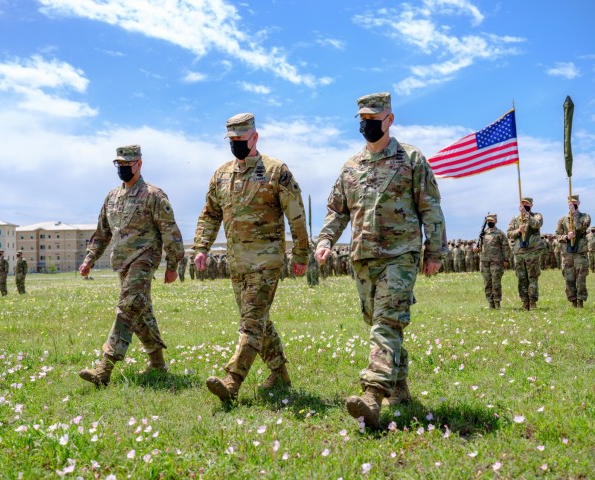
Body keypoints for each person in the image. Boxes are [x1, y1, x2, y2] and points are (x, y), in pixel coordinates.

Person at [315, 92, 446, 429]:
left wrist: (434, 251)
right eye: (363, 119)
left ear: (390, 119)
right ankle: (399, 387)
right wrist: (326, 240)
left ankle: (372, 396)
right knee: (377, 322)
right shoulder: (351, 166)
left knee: (386, 322)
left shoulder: (411, 159)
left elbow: (430, 206)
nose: (368, 124)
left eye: (375, 119)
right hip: (362, 259)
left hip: (400, 255)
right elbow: (337, 210)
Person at [193, 113, 309, 402]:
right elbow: (210, 214)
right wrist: (201, 248)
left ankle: (232, 381)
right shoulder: (221, 174)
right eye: (231, 140)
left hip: (266, 260)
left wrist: (301, 253)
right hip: (237, 262)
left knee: (251, 323)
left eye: (240, 140)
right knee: (258, 321)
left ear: (254, 137)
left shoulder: (275, 171)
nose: (235, 145)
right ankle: (279, 373)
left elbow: (296, 214)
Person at [78, 144, 184, 387]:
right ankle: (157, 362)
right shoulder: (112, 197)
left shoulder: (154, 195)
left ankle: (104, 369)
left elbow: (170, 231)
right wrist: (89, 259)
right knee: (140, 313)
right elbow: (102, 232)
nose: (123, 168)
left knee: (126, 307)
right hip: (122, 262)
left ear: (139, 164)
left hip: (144, 259)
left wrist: (172, 264)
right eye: (119, 164)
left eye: (128, 164)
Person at [507, 197, 544, 310]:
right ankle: (524, 302)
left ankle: (532, 302)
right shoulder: (515, 219)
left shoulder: (537, 215)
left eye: (527, 204)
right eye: (523, 204)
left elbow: (536, 224)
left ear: (531, 205)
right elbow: (509, 233)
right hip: (519, 253)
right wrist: (518, 231)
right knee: (522, 278)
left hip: (532, 252)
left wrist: (526, 214)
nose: (524, 205)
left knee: (532, 277)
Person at [555, 195, 591, 307]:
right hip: (567, 254)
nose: (572, 204)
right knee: (569, 278)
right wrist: (566, 237)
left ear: (579, 203)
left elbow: (581, 227)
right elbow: (557, 235)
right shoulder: (562, 220)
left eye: (574, 202)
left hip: (580, 253)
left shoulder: (585, 216)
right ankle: (573, 301)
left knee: (581, 278)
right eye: (570, 203)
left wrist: (574, 214)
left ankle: (580, 302)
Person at [474, 214, 510, 308]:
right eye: (488, 221)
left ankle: (497, 303)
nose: (489, 222)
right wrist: (476, 248)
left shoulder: (500, 233)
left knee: (496, 283)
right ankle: (490, 303)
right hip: (484, 262)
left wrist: (506, 259)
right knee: (487, 283)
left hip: (496, 262)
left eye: (491, 220)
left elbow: (505, 247)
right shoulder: (482, 234)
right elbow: (477, 246)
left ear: (495, 221)